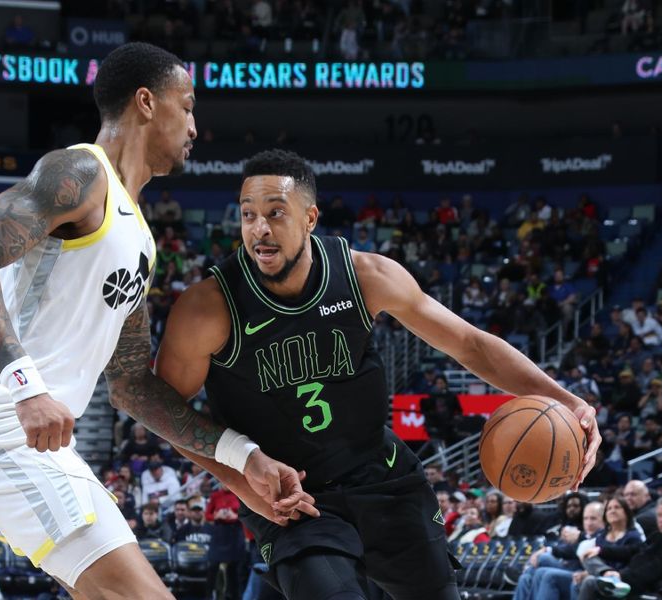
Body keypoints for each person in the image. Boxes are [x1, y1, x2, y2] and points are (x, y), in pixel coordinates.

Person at [154, 148, 602, 600]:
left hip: (383, 477)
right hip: (293, 501)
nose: (260, 229)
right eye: (248, 215)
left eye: (276, 213)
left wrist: (568, 401)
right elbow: (164, 409)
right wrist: (239, 476)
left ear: (310, 218)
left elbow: (470, 344)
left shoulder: (365, 275)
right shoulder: (208, 308)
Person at [0, 43, 315, 600]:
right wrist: (24, 386)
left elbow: (131, 387)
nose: (195, 125)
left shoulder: (140, 237)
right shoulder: (79, 173)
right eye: (188, 105)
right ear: (147, 102)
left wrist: (243, 461)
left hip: (30, 435)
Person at [576, 495, 662, 599]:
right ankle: (606, 572)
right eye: (659, 515)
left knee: (589, 582)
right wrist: (601, 550)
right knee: (589, 556)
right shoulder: (659, 535)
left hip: (637, 586)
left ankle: (608, 575)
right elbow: (633, 549)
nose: (661, 520)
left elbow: (654, 569)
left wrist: (622, 576)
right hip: (621, 577)